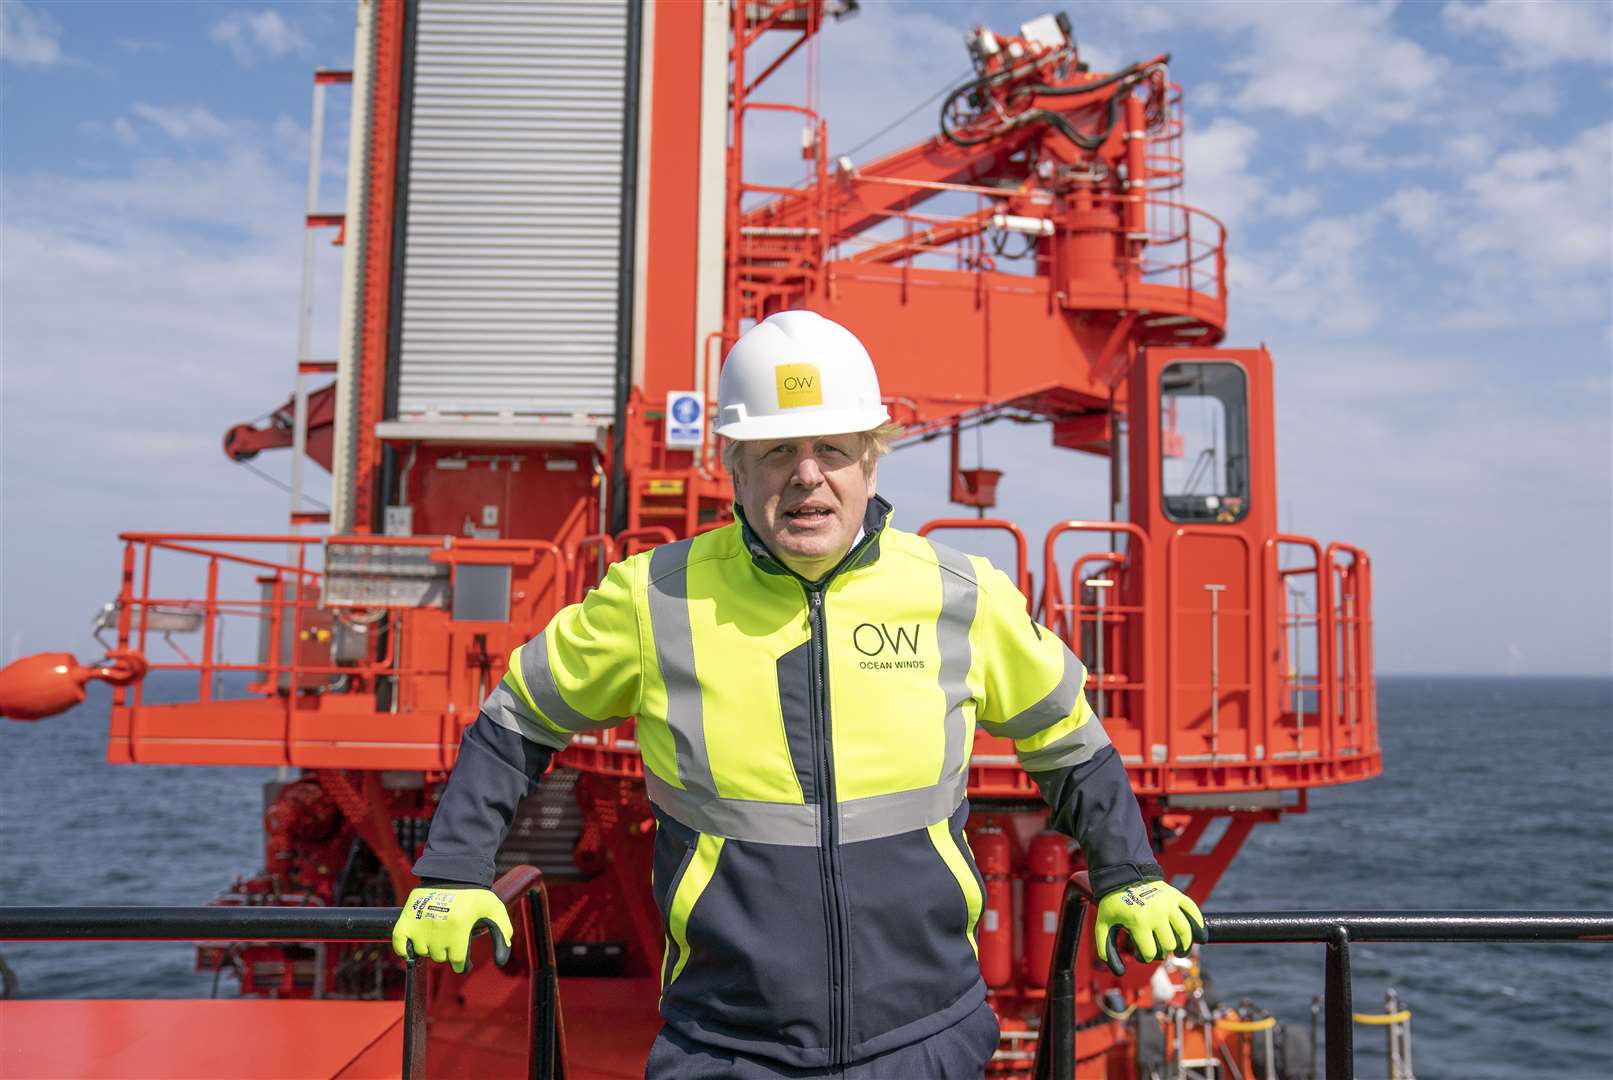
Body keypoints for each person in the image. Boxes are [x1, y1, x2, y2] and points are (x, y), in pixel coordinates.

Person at [391, 310, 1207, 1079]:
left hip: (923, 1038)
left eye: (832, 448)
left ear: (871, 459)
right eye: (777, 451)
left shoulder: (960, 595)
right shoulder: (653, 599)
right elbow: (515, 722)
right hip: (725, 1044)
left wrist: (1129, 872)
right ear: (735, 469)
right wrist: (454, 873)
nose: (807, 477)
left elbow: (1069, 741)